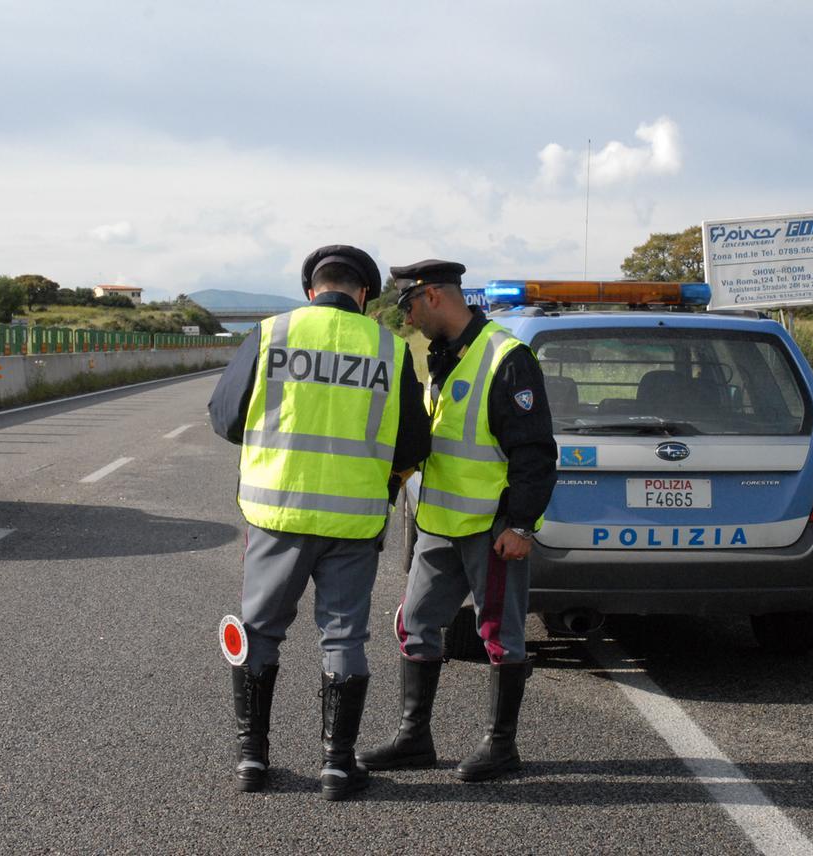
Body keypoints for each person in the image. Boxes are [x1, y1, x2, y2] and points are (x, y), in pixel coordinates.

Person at [208, 244, 429, 801]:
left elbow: (225, 417)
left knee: (259, 632)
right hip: (353, 521)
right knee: (344, 637)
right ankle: (336, 765)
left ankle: (252, 761)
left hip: (276, 514)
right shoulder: (389, 348)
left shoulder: (271, 333)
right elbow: (413, 443)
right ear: (362, 294)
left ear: (312, 290)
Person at [358, 259, 557, 782]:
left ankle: (500, 747)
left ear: (433, 297)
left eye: (408, 306)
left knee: (500, 634)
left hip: (491, 528)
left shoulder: (505, 357)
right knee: (415, 622)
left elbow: (534, 451)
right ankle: (414, 739)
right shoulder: (444, 355)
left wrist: (522, 525)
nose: (408, 318)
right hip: (440, 523)